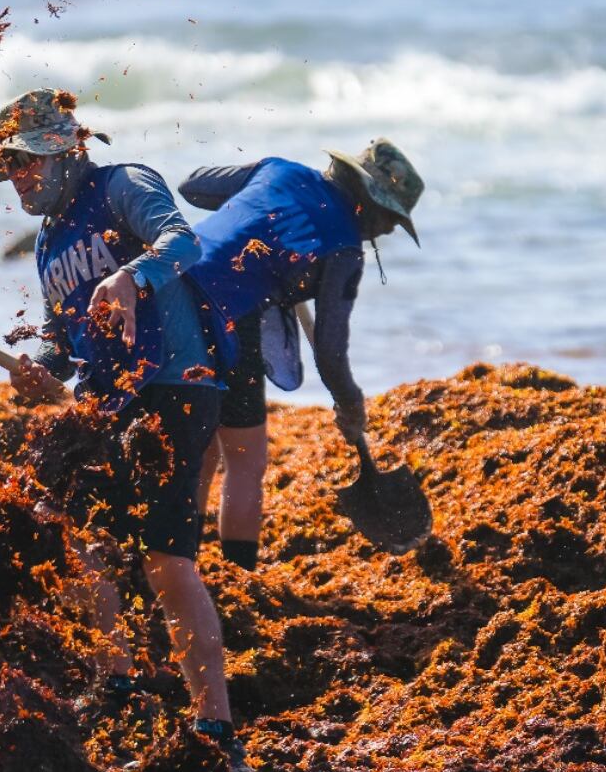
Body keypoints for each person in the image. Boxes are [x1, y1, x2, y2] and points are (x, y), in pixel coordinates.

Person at [0, 88, 251, 772]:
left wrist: (130, 276)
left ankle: (215, 722)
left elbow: (180, 240)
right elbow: (59, 341)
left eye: (32, 161)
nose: (22, 177)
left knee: (165, 557)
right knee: (78, 536)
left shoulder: (121, 185)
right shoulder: (46, 243)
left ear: (71, 150)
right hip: (104, 402)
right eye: (11, 166)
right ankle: (117, 679)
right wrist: (38, 368)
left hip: (176, 384)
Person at [181, 141, 424, 571]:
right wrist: (350, 402)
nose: (387, 231)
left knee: (199, 444)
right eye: (389, 218)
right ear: (367, 202)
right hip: (228, 317)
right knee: (246, 459)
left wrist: (261, 213)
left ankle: (178, 559)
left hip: (170, 288)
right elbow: (330, 352)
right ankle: (240, 576)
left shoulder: (276, 169)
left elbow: (192, 187)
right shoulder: (343, 248)